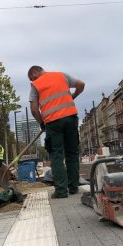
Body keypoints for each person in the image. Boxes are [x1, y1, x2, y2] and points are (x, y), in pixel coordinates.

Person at [28, 66, 85, 198]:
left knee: (56, 155)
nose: (32, 80)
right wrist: (73, 96)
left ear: (35, 72)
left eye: (31, 78)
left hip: (53, 123)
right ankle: (74, 187)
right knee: (72, 153)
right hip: (71, 118)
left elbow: (34, 110)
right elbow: (81, 84)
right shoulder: (61, 75)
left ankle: (61, 191)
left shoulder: (35, 85)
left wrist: (42, 123)